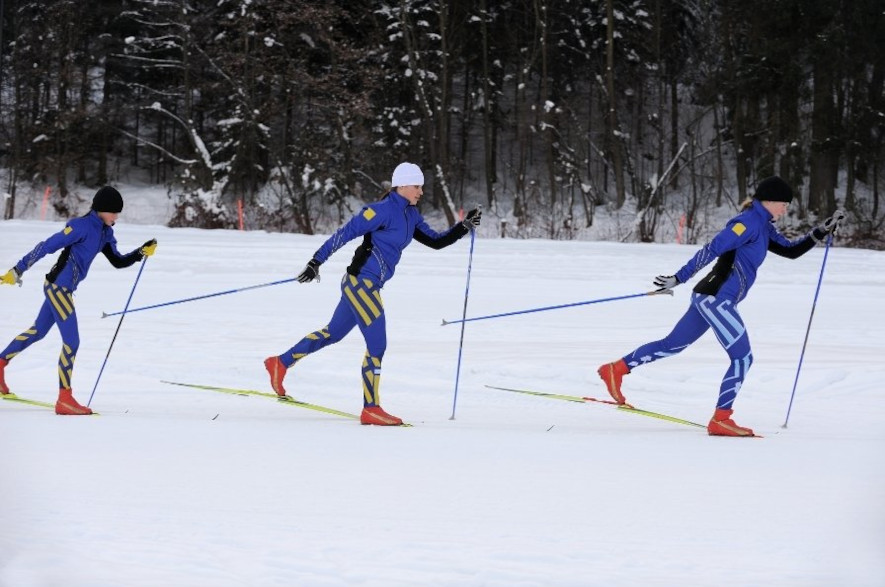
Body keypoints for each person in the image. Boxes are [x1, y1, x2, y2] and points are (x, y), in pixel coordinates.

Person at [596, 176, 845, 437]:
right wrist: (679, 277)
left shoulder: (764, 226)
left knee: (672, 345)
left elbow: (791, 251)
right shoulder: (746, 223)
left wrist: (820, 231)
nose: (786, 210)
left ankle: (616, 369)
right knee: (743, 358)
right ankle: (721, 418)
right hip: (717, 300)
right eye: (784, 204)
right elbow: (711, 249)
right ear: (769, 200)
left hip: (709, 298)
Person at [264, 162, 481, 425]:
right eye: (417, 186)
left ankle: (280, 363)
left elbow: (436, 241)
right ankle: (371, 408)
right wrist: (315, 262)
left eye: (422, 186)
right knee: (377, 345)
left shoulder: (411, 216)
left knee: (332, 333)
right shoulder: (379, 211)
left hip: (368, 286)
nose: (421, 192)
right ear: (401, 185)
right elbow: (344, 234)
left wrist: (464, 226)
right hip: (361, 284)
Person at [0, 186, 157, 415]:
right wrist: (18, 270)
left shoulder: (105, 233)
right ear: (102, 210)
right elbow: (46, 246)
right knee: (72, 342)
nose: (116, 217)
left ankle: (0, 364)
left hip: (63, 289)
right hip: (58, 288)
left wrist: (140, 253)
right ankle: (65, 398)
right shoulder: (80, 226)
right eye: (114, 212)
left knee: (38, 331)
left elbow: (118, 261)